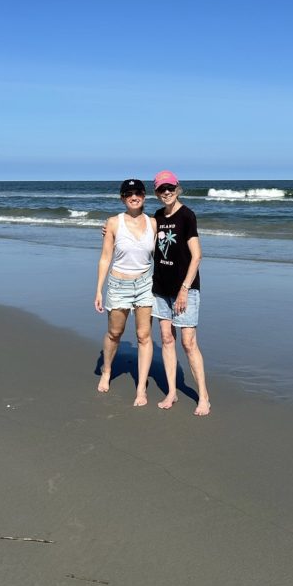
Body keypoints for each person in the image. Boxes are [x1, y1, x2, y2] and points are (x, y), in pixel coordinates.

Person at [152, 170, 211, 416]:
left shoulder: (187, 216)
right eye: (161, 189)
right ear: (156, 192)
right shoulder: (156, 215)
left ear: (177, 189)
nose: (166, 192)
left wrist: (185, 290)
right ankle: (172, 392)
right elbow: (141, 234)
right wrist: (108, 231)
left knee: (188, 342)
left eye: (170, 188)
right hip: (160, 289)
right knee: (167, 339)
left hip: (184, 289)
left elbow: (197, 256)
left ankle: (204, 397)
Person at [95, 179, 157, 406]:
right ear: (122, 198)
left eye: (138, 192)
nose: (134, 196)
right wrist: (99, 290)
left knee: (144, 336)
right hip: (118, 284)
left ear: (144, 195)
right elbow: (105, 258)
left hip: (145, 285)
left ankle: (141, 388)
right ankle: (107, 370)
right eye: (129, 193)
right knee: (115, 333)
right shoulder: (113, 223)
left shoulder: (154, 223)